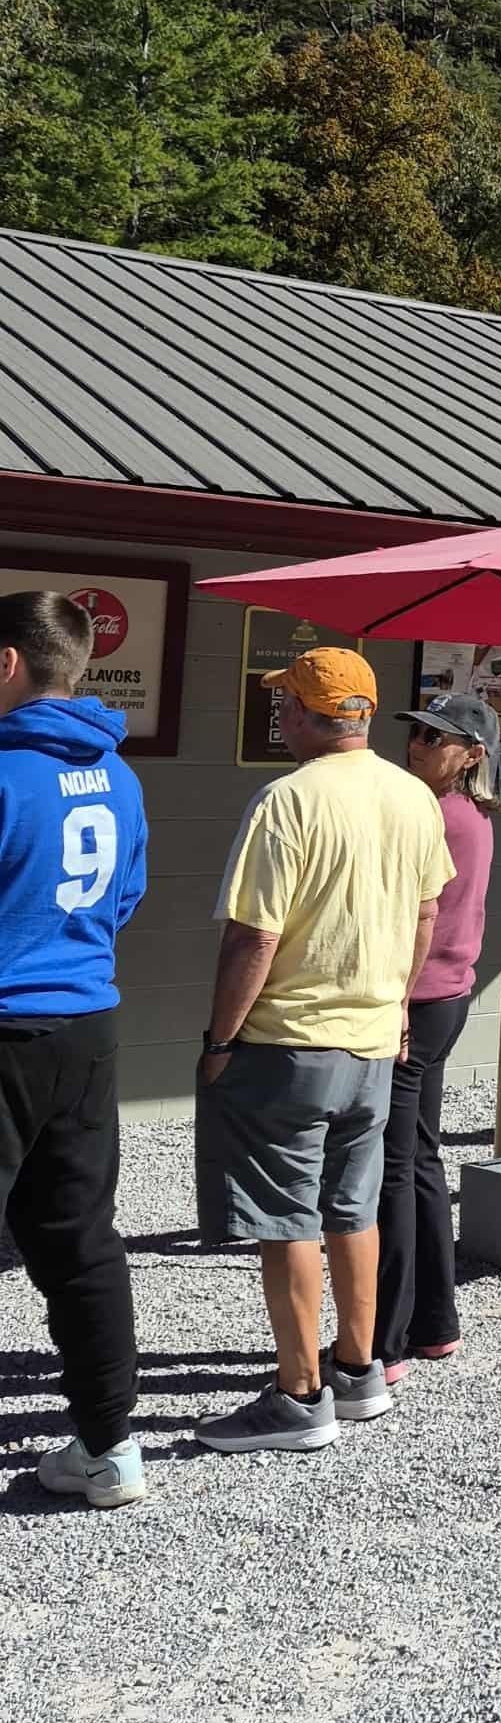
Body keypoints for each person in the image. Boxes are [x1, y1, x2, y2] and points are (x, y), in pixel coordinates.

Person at [194, 648, 453, 1456]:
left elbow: (254, 935)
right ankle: (359, 1369)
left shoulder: (287, 800)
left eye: (286, 705)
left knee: (287, 1220)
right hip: (374, 1040)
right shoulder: (413, 796)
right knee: (353, 1208)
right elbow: (425, 915)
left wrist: (220, 1039)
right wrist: (398, 1005)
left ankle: (299, 1395)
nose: (279, 717)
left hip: (289, 1042)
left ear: (310, 715)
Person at [0, 592, 150, 1509]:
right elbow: (124, 897)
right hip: (85, 1025)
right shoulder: (117, 774)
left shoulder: (5, 771)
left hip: (7, 1023)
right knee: (82, 1239)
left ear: (7, 663)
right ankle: (108, 1445)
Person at [375, 690, 500, 1382]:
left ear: (472, 755)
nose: (418, 745)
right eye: (418, 732)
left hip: (415, 1003)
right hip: (443, 998)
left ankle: (384, 1341)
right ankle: (435, 1323)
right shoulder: (468, 816)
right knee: (420, 1159)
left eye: (436, 738)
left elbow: (404, 909)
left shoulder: (436, 815)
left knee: (393, 1168)